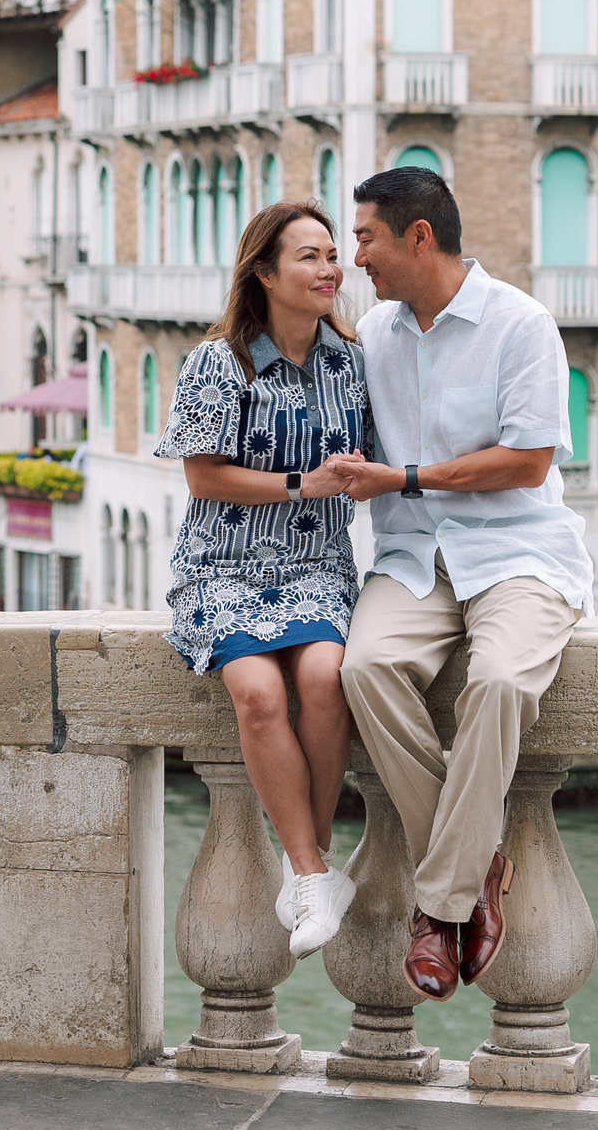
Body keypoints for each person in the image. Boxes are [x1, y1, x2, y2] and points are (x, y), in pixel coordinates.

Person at [330, 166, 592, 1001]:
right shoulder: (374, 335)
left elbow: (528, 460)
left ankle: (437, 907)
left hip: (518, 553)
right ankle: (476, 874)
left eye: (366, 236)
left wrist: (401, 476)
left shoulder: (521, 324)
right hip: (413, 559)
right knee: (364, 668)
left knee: (503, 680)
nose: (354, 255)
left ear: (417, 236)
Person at [155, 199, 373, 958]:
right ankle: (313, 868)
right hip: (223, 566)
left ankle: (305, 869)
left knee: (326, 676)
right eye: (309, 256)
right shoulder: (220, 361)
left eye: (331, 254)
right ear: (266, 271)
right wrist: (301, 484)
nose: (330, 269)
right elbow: (202, 476)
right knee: (257, 691)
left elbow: (373, 453)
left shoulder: (351, 360)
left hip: (316, 563)